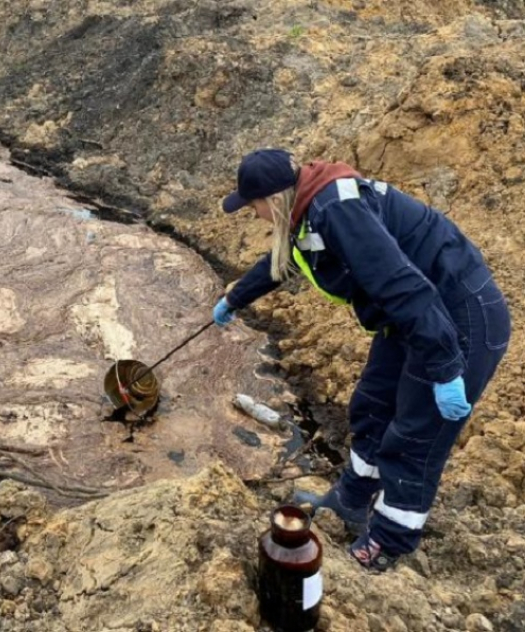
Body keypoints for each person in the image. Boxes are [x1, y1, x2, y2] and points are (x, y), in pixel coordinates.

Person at [214, 149, 510, 571]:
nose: (255, 215)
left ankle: (388, 541)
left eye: (254, 206)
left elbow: (401, 284)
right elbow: (286, 261)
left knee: (416, 432)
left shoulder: (338, 209)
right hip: (412, 316)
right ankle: (350, 500)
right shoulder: (308, 208)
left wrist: (445, 367)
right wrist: (235, 297)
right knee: (373, 405)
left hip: (455, 315)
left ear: (274, 199)